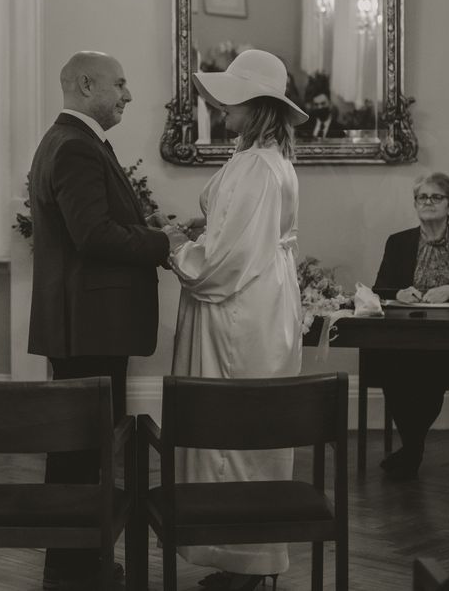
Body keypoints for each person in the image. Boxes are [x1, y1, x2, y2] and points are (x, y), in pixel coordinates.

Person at [150, 49, 308, 591]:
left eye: (231, 101)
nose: (221, 109)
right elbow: (244, 231)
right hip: (265, 298)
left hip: (239, 307)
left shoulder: (255, 166)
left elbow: (223, 261)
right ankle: (245, 553)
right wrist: (206, 224)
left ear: (255, 104)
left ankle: (244, 559)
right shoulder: (269, 161)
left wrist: (178, 248)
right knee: (251, 427)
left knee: (233, 430)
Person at [28, 51, 170, 591]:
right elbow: (93, 236)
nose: (129, 95)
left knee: (81, 452)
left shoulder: (73, 141)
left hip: (88, 321)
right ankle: (74, 568)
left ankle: (75, 563)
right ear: (87, 84)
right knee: (81, 454)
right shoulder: (74, 146)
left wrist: (149, 225)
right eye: (121, 83)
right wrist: (162, 242)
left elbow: (95, 224)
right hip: (88, 324)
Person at [372, 172, 449, 480]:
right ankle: (414, 447)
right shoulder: (398, 242)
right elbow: (380, 289)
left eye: (435, 197)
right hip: (407, 334)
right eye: (421, 197)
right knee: (390, 366)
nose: (427, 202)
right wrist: (398, 292)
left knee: (433, 373)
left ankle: (412, 448)